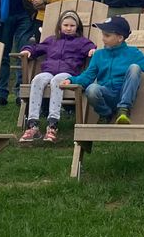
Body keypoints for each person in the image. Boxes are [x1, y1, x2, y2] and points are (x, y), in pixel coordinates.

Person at [61, 16, 144, 124]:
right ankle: (106, 114)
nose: (103, 38)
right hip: (106, 95)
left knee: (135, 68)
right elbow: (87, 76)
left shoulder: (132, 53)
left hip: (125, 93)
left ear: (120, 38)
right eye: (103, 34)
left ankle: (123, 110)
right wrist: (71, 80)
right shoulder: (99, 55)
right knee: (91, 89)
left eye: (107, 35)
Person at [18, 10, 96, 143]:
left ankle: (53, 124)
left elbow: (91, 47)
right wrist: (28, 50)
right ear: (60, 26)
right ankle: (33, 124)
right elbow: (37, 48)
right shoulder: (51, 40)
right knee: (37, 79)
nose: (69, 28)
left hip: (68, 73)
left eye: (72, 25)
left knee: (57, 80)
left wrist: (92, 50)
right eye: (65, 25)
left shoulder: (81, 42)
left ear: (77, 27)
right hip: (48, 71)